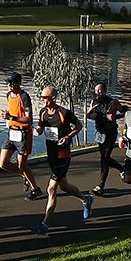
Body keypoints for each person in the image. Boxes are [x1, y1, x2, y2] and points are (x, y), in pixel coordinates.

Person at [30, 86, 92, 236]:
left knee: (51, 189)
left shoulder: (64, 113)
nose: (42, 100)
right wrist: (36, 131)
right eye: (42, 97)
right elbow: (39, 128)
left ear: (53, 98)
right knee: (64, 186)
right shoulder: (43, 112)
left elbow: (79, 125)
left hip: (63, 156)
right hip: (51, 155)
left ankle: (45, 224)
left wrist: (68, 137)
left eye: (45, 97)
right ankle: (86, 199)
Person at [0, 71, 42, 198]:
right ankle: (24, 175)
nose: (9, 86)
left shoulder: (24, 97)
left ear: (18, 83)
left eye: (12, 83)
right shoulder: (8, 95)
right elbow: (12, 111)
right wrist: (7, 116)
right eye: (8, 84)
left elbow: (28, 119)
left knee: (22, 164)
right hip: (12, 133)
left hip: (23, 135)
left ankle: (36, 189)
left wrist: (11, 117)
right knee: (3, 164)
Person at [85, 81, 125, 195]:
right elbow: (89, 116)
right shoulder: (94, 102)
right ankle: (121, 168)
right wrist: (90, 113)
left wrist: (115, 116)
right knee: (104, 157)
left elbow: (124, 111)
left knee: (104, 158)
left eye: (100, 89)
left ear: (105, 90)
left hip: (110, 133)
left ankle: (101, 186)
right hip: (100, 133)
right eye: (96, 90)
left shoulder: (113, 102)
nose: (98, 92)